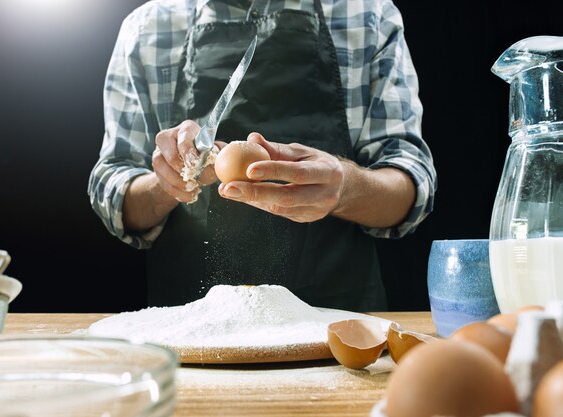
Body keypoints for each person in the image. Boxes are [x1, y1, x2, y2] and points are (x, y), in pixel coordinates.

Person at [88, 0, 437, 311]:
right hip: (193, 331)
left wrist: (345, 186)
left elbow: (411, 188)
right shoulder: (148, 29)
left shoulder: (367, 15)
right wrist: (171, 178)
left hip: (335, 326)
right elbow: (114, 196)